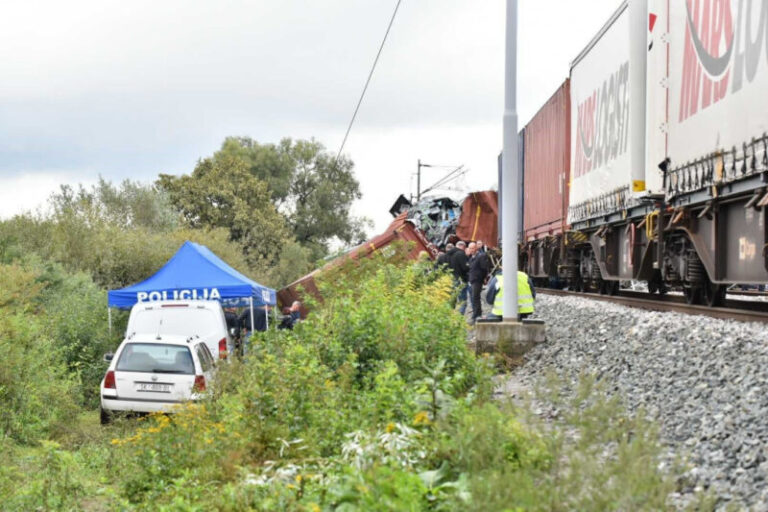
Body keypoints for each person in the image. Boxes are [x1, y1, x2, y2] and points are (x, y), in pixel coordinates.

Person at [468, 241, 490, 323]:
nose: (471, 250)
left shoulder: (481, 256)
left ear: (476, 248)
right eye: (470, 248)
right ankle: (477, 313)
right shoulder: (471, 257)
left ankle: (476, 315)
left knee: (475, 297)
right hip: (472, 280)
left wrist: (483, 278)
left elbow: (484, 268)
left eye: (473, 248)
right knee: (474, 298)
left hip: (477, 280)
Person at [450, 241, 470, 313]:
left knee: (453, 298)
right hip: (461, 279)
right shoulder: (461, 254)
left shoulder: (450, 254)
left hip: (452, 278)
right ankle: (460, 317)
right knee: (463, 300)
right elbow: (464, 267)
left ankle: (450, 314)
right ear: (463, 246)